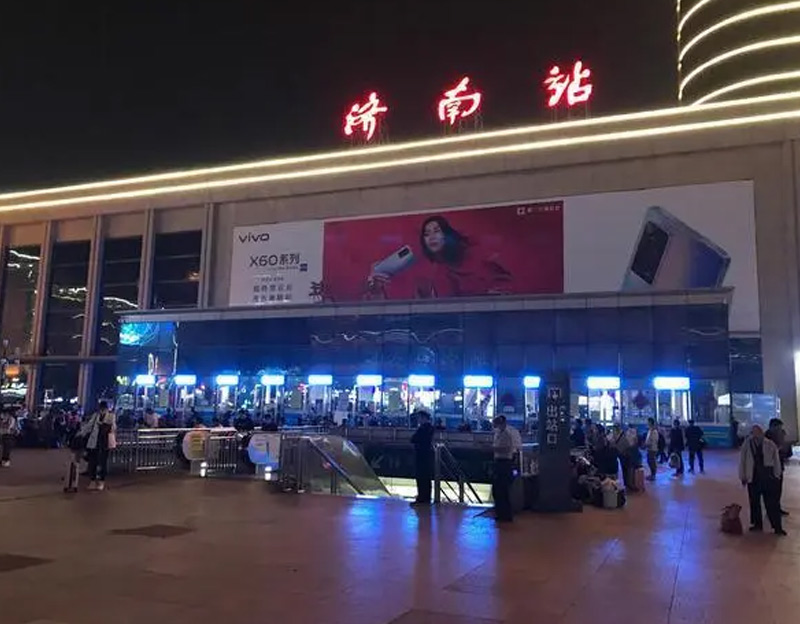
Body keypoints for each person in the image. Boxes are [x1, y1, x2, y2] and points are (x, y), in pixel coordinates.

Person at [368, 215, 512, 299]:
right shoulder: (436, 272)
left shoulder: (478, 256)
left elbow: (505, 283)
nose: (431, 237)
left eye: (436, 231)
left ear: (448, 234)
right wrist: (375, 288)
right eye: (426, 234)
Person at [739, 425, 785, 535]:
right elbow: (743, 460)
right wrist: (743, 476)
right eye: (753, 433)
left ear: (761, 433)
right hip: (753, 476)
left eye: (757, 433)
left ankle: (777, 527)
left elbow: (776, 460)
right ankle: (757, 524)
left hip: (768, 477)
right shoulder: (747, 444)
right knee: (754, 502)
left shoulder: (770, 444)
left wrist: (777, 474)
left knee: (772, 503)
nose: (755, 435)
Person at [81, 401, 116, 491]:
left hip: (105, 443)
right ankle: (92, 481)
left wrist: (105, 425)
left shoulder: (111, 416)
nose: (102, 411)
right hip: (95, 442)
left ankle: (101, 482)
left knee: (103, 463)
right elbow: (89, 426)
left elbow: (113, 428)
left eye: (104, 409)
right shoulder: (95, 415)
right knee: (92, 462)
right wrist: (82, 433)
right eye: (101, 409)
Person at [491, 415, 515, 522]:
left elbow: (505, 449)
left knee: (503, 490)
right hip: (499, 462)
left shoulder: (507, 434)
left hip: (504, 463)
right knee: (497, 490)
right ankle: (501, 513)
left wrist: (493, 449)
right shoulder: (498, 433)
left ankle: (506, 514)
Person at [765, 418, 790, 516]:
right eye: (778, 428)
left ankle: (777, 508)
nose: (780, 430)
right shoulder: (766, 438)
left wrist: (783, 441)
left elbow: (787, 452)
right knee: (771, 491)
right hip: (770, 469)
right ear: (772, 427)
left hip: (779, 467)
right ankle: (771, 510)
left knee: (778, 490)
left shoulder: (780, 436)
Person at [410, 410, 434, 506]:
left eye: (419, 418)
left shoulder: (422, 428)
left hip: (421, 455)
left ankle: (421, 497)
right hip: (426, 455)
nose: (418, 420)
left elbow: (413, 439)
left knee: (421, 477)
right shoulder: (430, 428)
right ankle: (426, 497)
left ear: (423, 418)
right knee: (426, 477)